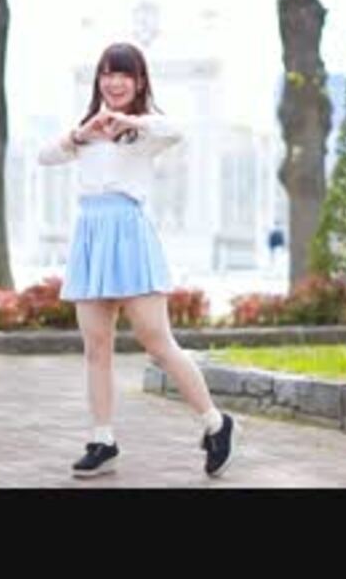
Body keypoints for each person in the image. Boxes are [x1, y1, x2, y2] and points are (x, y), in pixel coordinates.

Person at [38, 42, 239, 479]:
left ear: (140, 81)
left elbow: (175, 130)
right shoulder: (85, 132)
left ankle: (215, 423)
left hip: (129, 234)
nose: (114, 82)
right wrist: (82, 134)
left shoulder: (144, 132)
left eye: (124, 75)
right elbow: (44, 156)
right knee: (96, 347)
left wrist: (129, 121)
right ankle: (102, 440)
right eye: (107, 74)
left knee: (157, 341)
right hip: (91, 235)